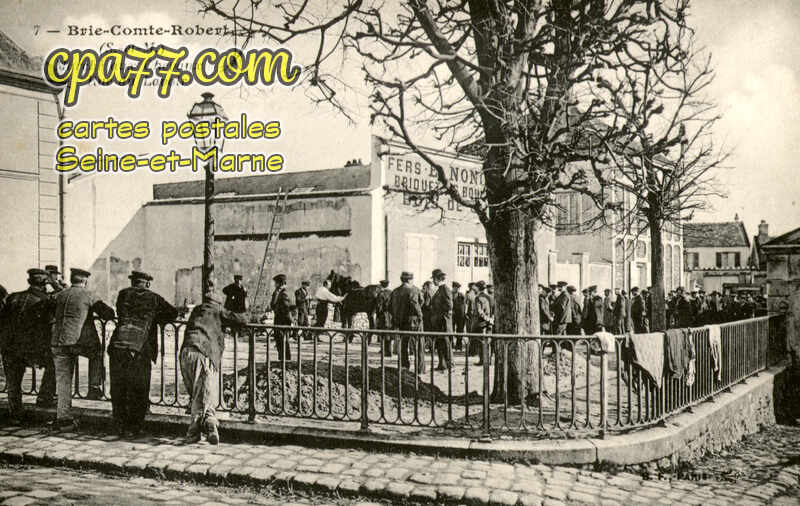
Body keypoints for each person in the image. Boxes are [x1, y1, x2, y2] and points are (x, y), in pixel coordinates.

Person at [107, 271, 177, 437]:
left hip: (118, 345)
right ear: (147, 284)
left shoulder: (123, 294)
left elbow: (120, 312)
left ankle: (119, 425)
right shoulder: (154, 298)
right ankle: (134, 428)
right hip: (140, 348)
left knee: (118, 387)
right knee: (139, 388)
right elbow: (172, 313)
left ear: (133, 282)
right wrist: (155, 318)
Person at [51, 268, 115, 431]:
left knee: (63, 381)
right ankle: (94, 387)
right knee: (98, 353)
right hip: (76, 342)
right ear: (85, 281)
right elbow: (108, 314)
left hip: (57, 341)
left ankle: (63, 418)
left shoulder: (59, 295)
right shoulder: (88, 295)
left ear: (72, 279)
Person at [181, 291, 247, 444]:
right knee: (202, 393)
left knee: (202, 392)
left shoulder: (197, 310)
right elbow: (241, 320)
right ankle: (195, 432)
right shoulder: (218, 310)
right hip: (203, 352)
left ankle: (209, 423)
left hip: (185, 352)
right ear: (217, 303)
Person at [0, 269, 55, 422]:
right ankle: (44, 398)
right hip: (33, 348)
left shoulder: (13, 297)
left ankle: (15, 414)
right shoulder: (46, 301)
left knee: (13, 382)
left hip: (10, 346)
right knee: (55, 365)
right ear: (45, 284)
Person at [390, 272, 424, 372]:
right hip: (413, 320)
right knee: (418, 344)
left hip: (400, 322)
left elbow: (390, 307)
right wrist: (420, 316)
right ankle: (420, 368)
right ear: (409, 280)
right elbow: (417, 303)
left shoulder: (395, 291)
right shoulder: (413, 289)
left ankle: (403, 366)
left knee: (403, 345)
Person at [430, 269, 453, 370]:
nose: (433, 282)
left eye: (434, 279)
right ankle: (441, 364)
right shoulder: (440, 290)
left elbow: (449, 305)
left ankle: (449, 364)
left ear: (437, 279)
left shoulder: (445, 289)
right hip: (439, 322)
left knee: (446, 343)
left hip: (443, 322)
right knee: (440, 343)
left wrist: (439, 312)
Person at [270, 274, 292, 361]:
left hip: (282, 321)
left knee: (282, 342)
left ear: (279, 283)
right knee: (281, 342)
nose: (274, 284)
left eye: (276, 283)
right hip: (280, 320)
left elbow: (286, 309)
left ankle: (285, 361)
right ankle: (283, 360)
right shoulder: (278, 292)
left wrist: (290, 321)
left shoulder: (284, 294)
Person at [473, 281, 494, 365]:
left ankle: (482, 360)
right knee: (488, 342)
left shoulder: (478, 298)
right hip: (490, 322)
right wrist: (491, 319)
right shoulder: (490, 297)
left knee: (481, 342)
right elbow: (493, 309)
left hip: (481, 323)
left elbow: (479, 312)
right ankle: (488, 360)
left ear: (478, 288)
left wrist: (486, 319)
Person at [375, 280, 393, 356]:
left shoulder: (381, 294)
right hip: (391, 315)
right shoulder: (392, 293)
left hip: (383, 315)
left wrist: (377, 314)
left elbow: (379, 307)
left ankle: (385, 350)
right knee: (389, 333)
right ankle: (388, 350)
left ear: (381, 286)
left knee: (383, 333)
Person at [452, 282, 466, 351]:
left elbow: (463, 306)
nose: (457, 289)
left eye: (458, 288)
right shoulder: (450, 294)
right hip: (452, 315)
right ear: (453, 287)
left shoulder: (461, 295)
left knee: (460, 330)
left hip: (460, 316)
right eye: (456, 288)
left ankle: (459, 345)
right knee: (451, 329)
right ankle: (451, 345)